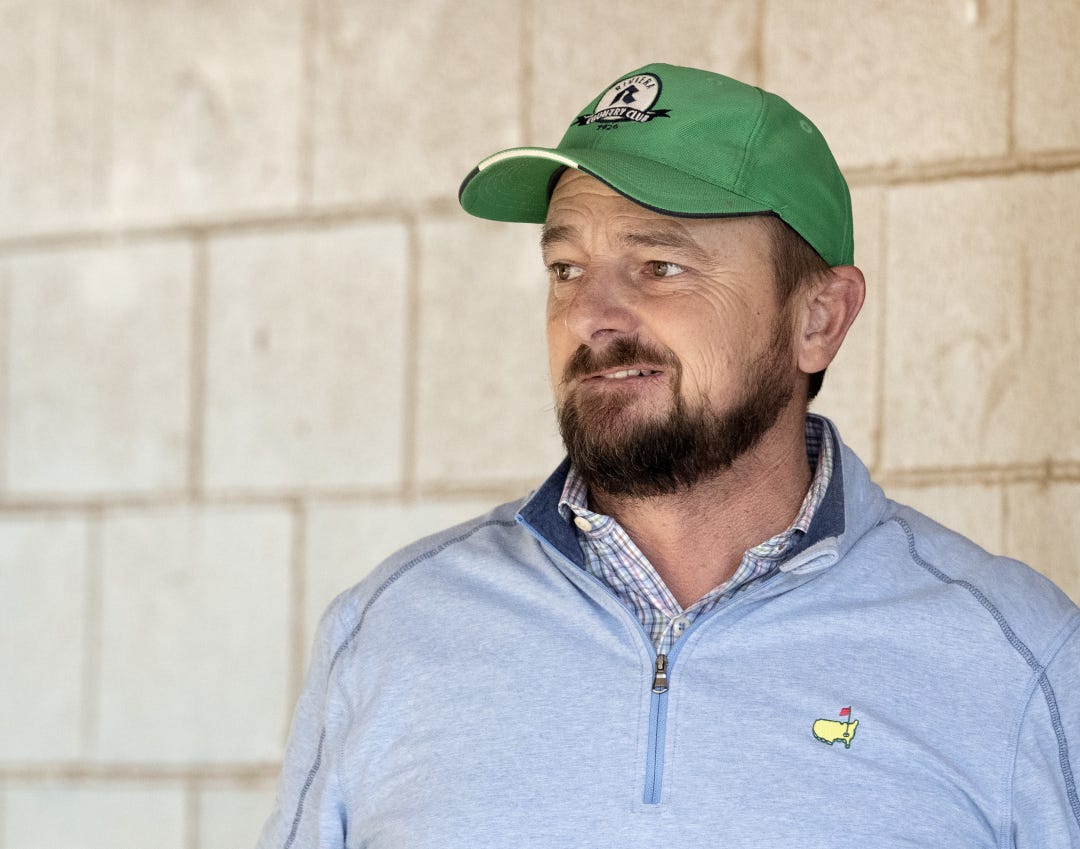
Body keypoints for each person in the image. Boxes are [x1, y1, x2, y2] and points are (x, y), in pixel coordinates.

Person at [258, 63, 1080, 848]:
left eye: (659, 266)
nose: (589, 315)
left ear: (819, 318)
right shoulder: (389, 630)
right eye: (566, 267)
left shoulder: (1019, 662)